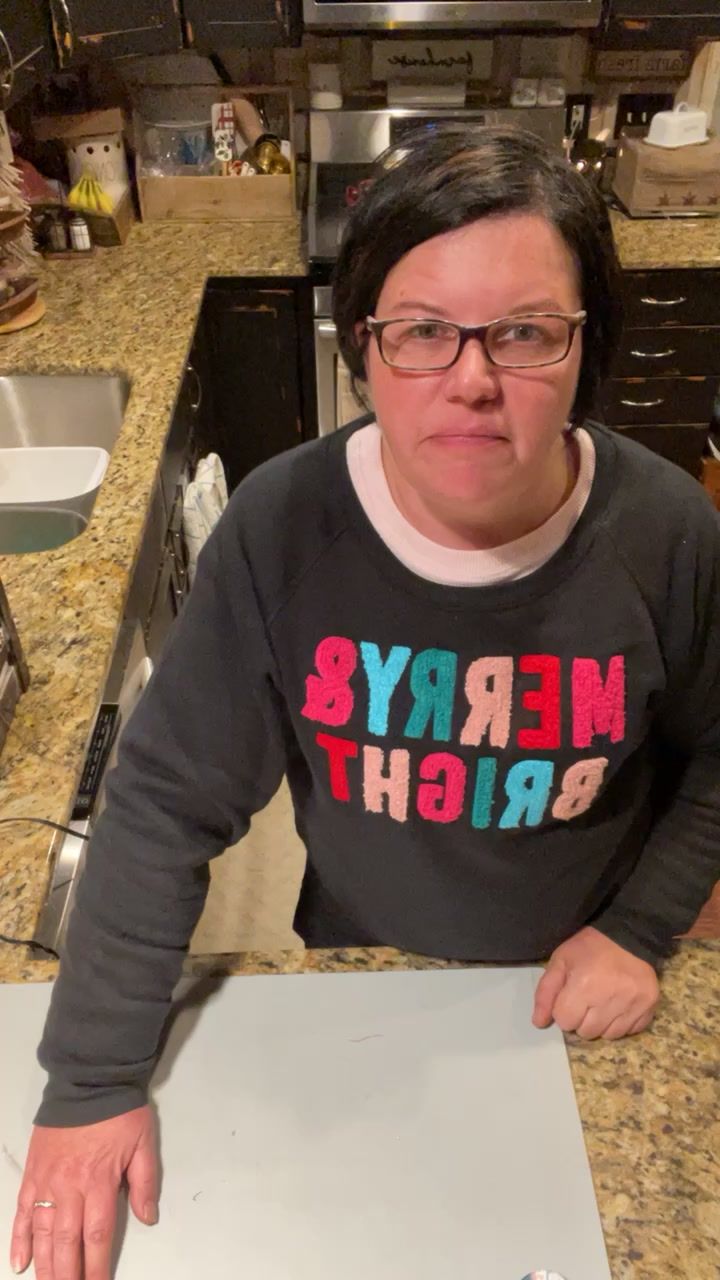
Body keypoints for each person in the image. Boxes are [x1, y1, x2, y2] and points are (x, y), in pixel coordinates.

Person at [10, 124, 720, 1280]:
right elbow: (160, 803)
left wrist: (641, 927)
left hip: (572, 996)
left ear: (590, 349)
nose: (473, 376)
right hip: (356, 967)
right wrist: (91, 1082)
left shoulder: (667, 535)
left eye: (526, 332)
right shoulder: (284, 527)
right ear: (365, 348)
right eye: (424, 331)